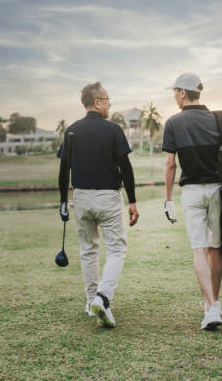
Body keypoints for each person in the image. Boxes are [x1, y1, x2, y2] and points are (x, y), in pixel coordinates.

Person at [57, 82, 139, 328]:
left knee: (88, 250)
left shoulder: (71, 130)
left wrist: (62, 201)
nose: (110, 103)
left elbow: (64, 171)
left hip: (80, 197)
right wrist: (133, 200)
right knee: (116, 249)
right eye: (107, 99)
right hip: (107, 197)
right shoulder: (113, 129)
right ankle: (102, 298)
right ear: (97, 102)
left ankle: (92, 300)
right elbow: (126, 168)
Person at [162, 73, 222, 330]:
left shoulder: (173, 123)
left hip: (192, 192)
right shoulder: (219, 119)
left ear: (182, 93)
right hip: (219, 190)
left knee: (199, 249)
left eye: (175, 91)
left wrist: (168, 200)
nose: (174, 96)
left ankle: (210, 306)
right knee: (216, 248)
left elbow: (170, 165)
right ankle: (213, 303)